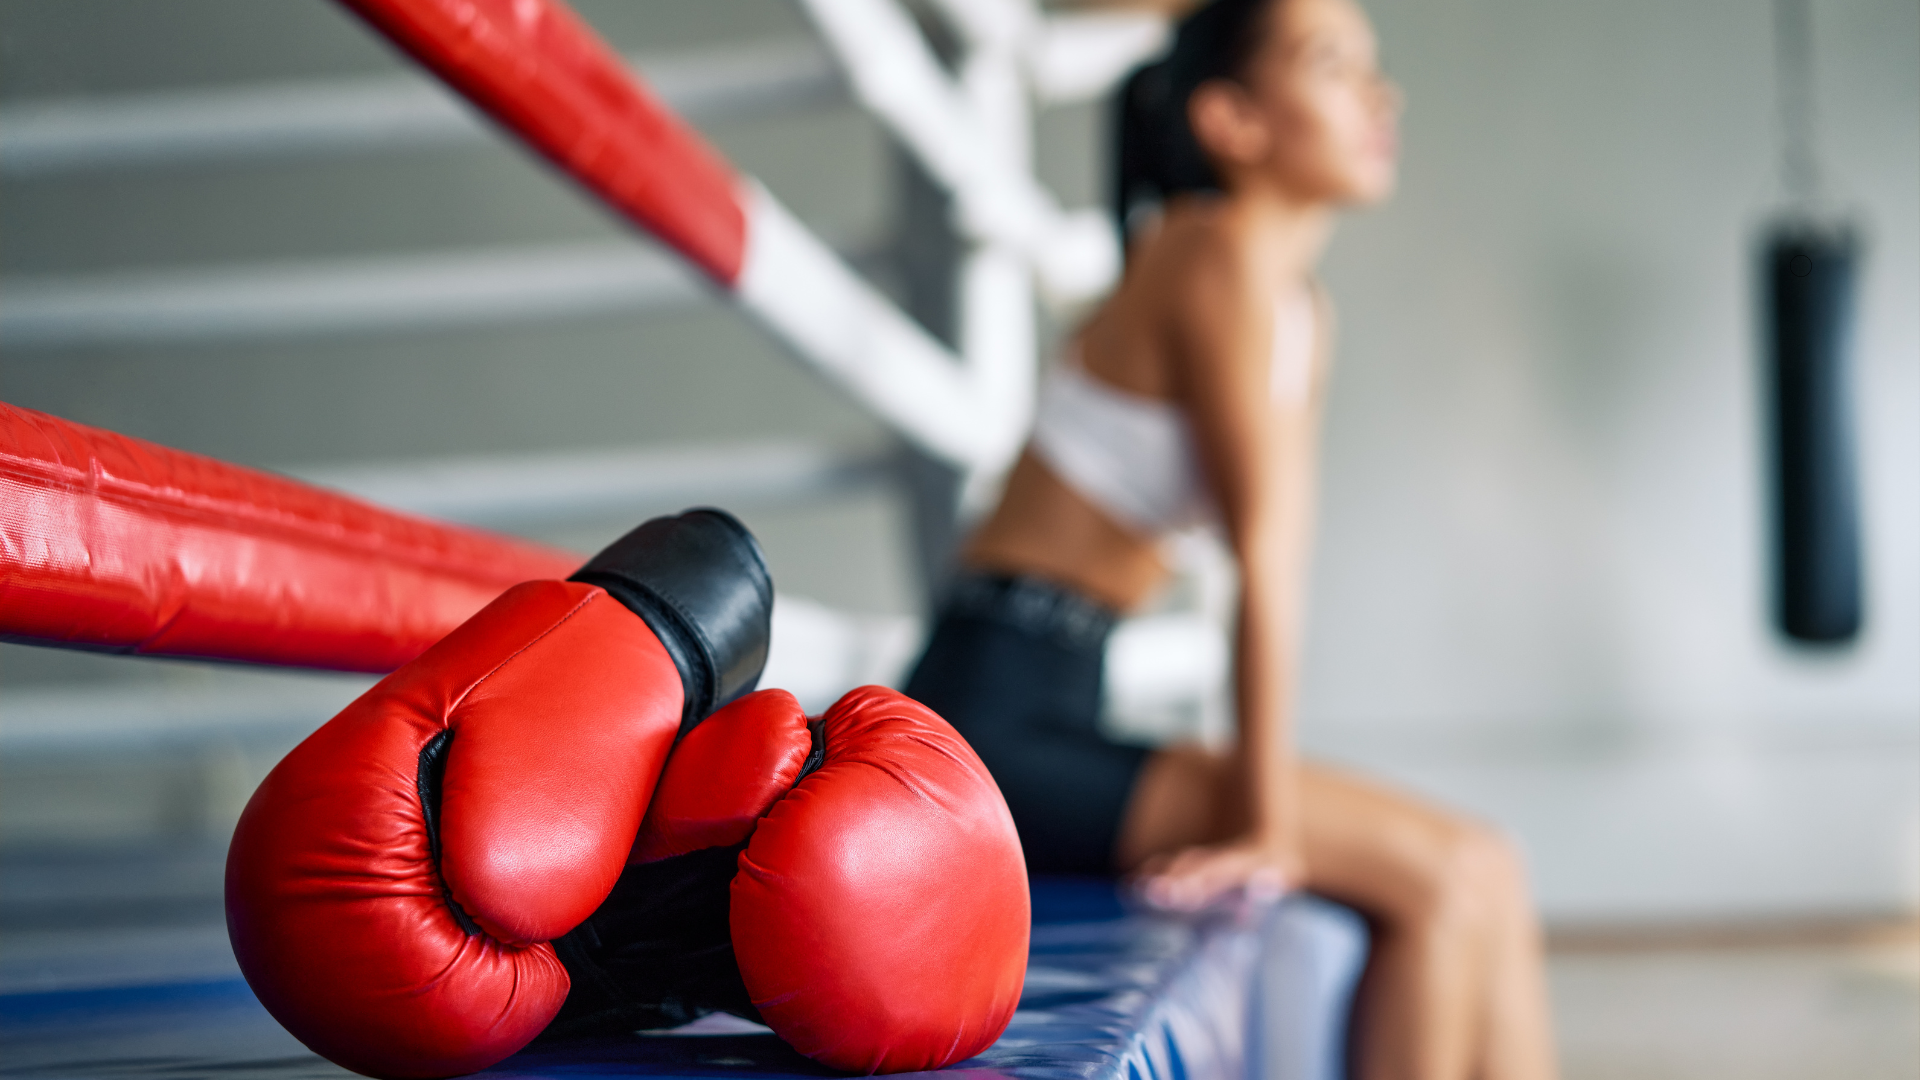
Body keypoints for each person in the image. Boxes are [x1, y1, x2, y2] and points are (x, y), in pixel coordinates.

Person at [901, 0, 1559, 1076]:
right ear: (1232, 120)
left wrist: (1269, 818)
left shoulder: (1296, 303)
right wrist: (1266, 828)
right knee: (1456, 874)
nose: (1379, 95)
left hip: (1059, 696)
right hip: (989, 723)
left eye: (1372, 66)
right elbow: (1269, 562)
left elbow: (1272, 553)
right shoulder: (1211, 255)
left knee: (1484, 870)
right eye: (1332, 65)